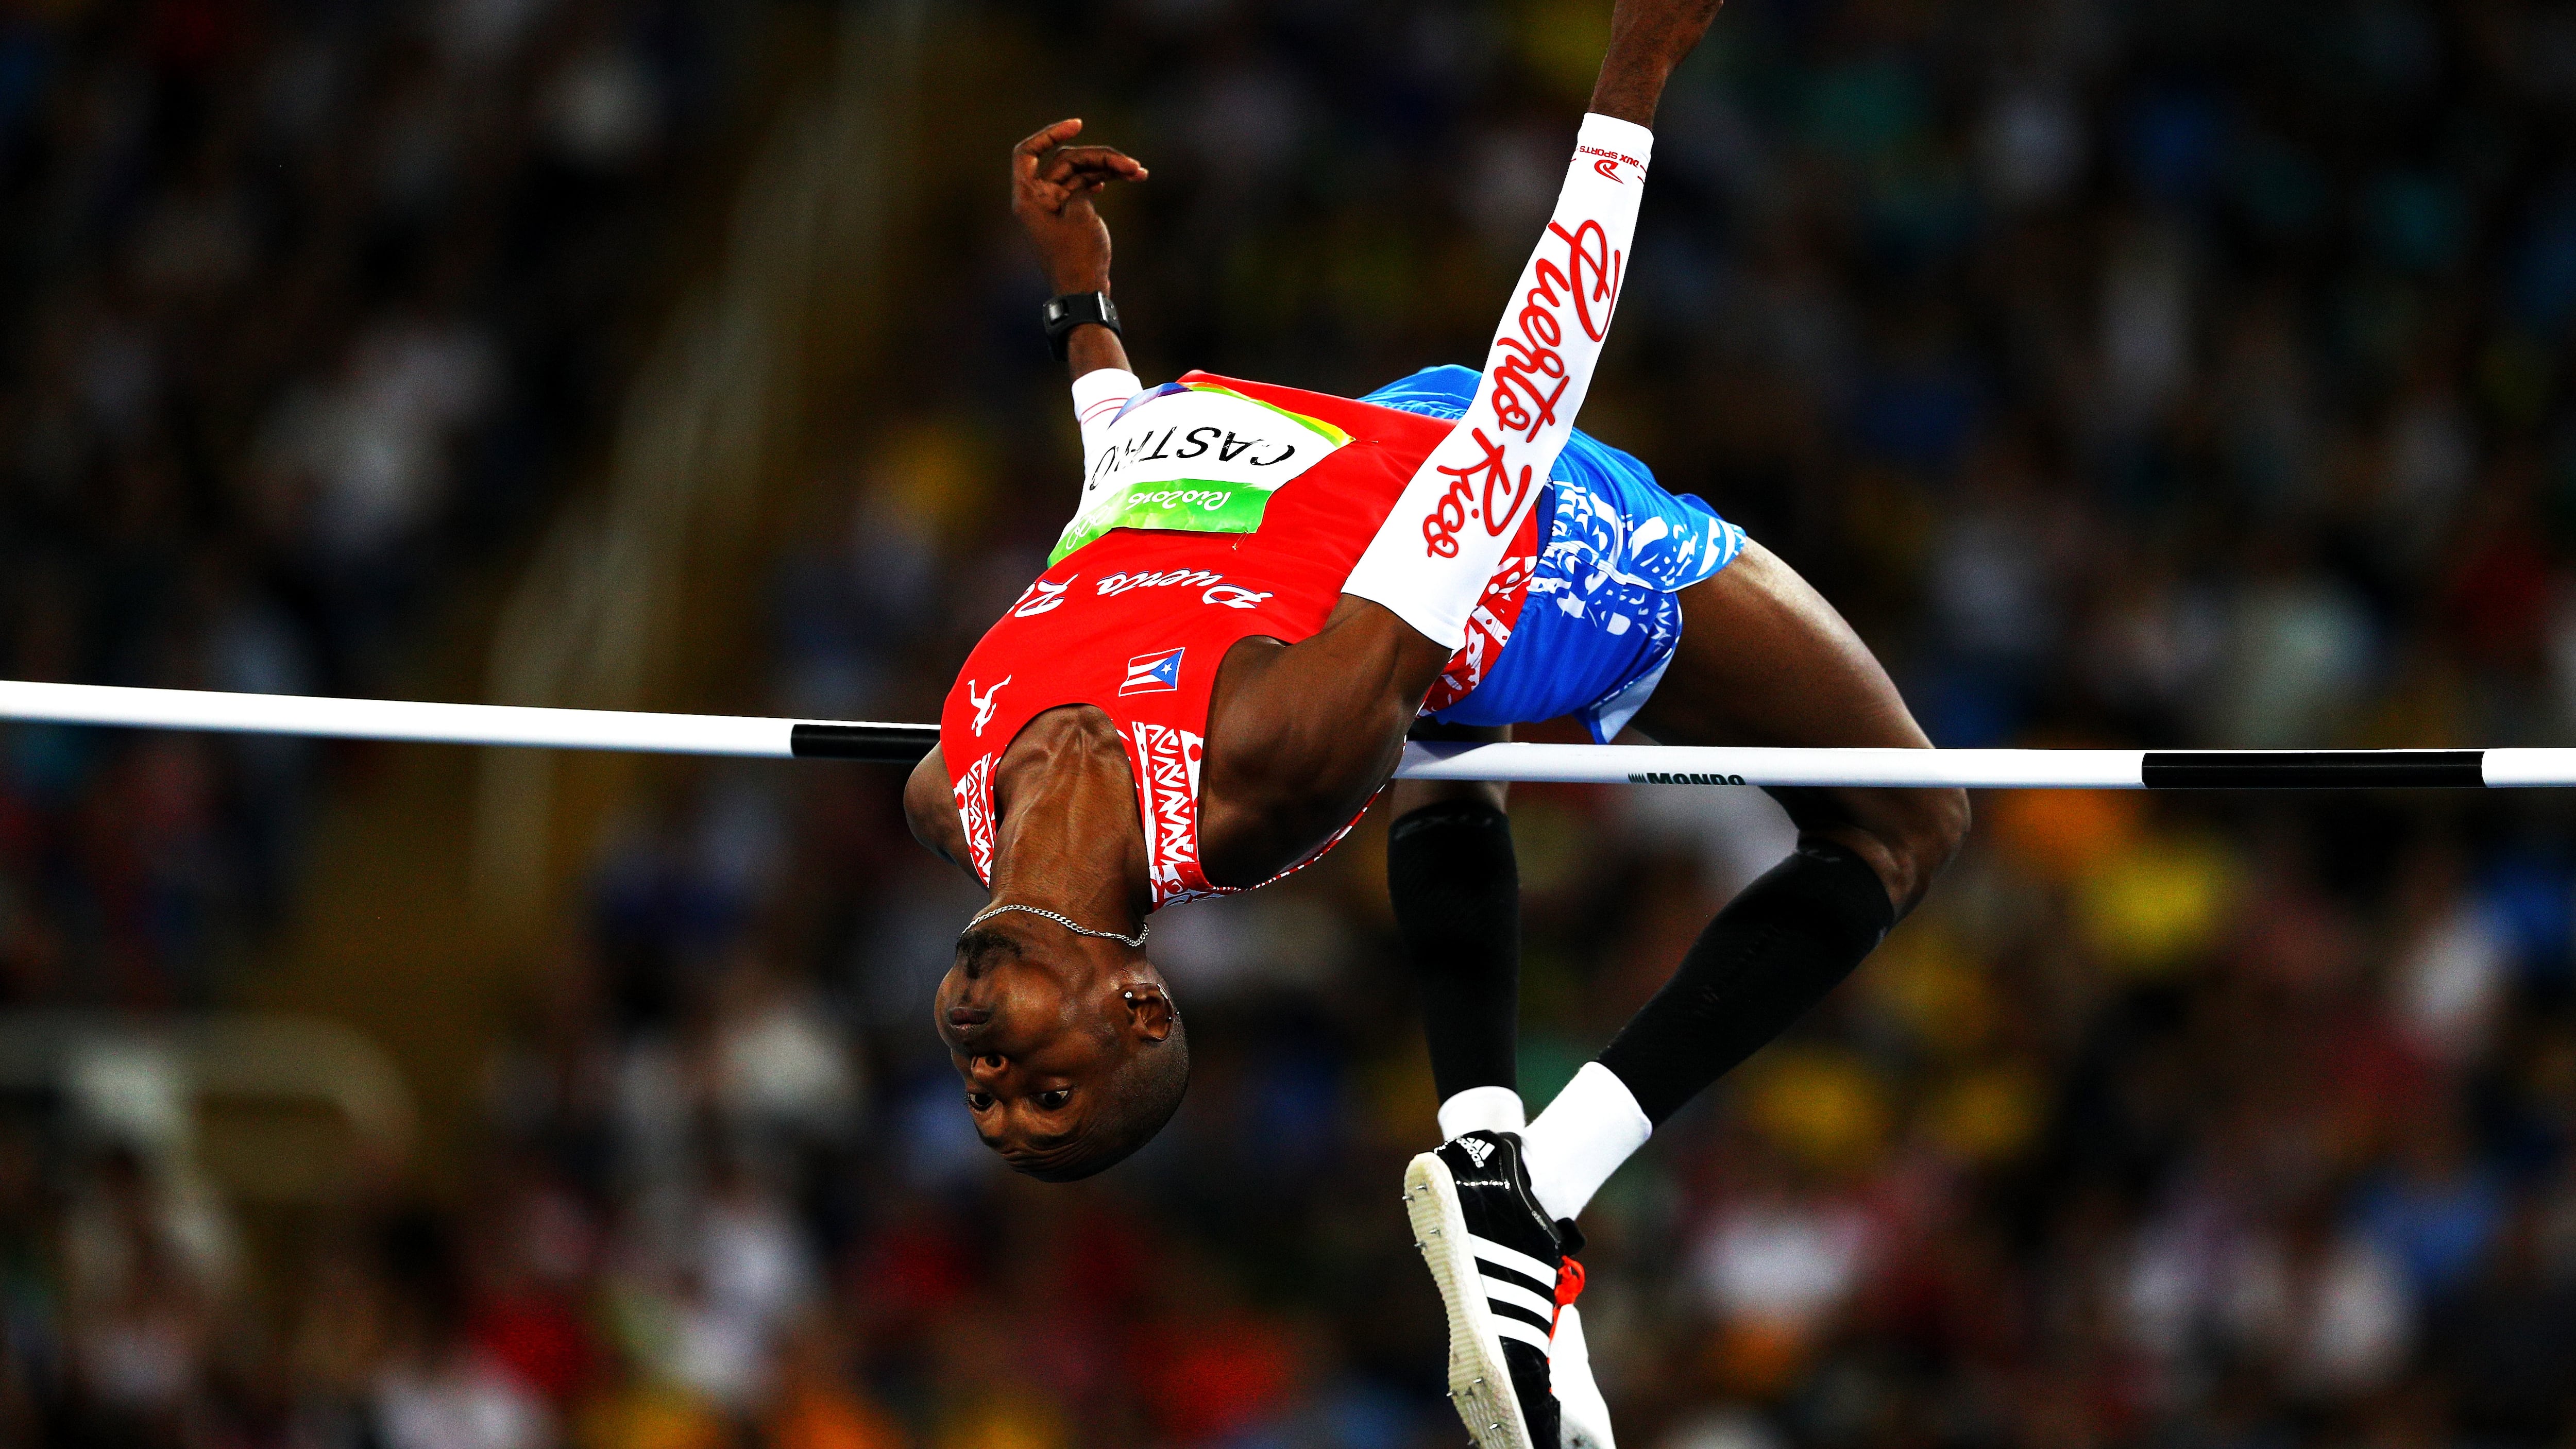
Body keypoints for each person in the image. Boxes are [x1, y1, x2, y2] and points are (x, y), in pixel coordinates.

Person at [903, 2, 1967, 1444]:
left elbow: (1120, 521)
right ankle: (1547, 1183)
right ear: (1135, 1001)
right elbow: (1526, 407)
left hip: (1364, 451)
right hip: (1542, 544)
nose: (985, 1067)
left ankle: (1483, 1156)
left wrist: (1083, 308)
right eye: (1042, 1086)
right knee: (1909, 818)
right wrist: (1635, 73)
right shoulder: (1262, 762)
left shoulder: (952, 784)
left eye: (982, 1092)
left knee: (1426, 743)